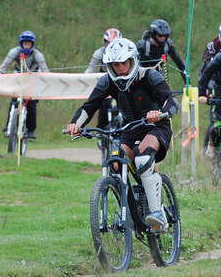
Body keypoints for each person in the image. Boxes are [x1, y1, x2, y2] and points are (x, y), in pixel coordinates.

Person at [64, 38, 178, 229]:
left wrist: (159, 113)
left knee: (143, 158)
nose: (120, 68)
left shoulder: (149, 76)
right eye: (115, 65)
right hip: (129, 129)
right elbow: (90, 106)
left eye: (123, 63)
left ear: (133, 61)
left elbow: (171, 102)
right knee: (116, 163)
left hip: (156, 127)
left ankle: (157, 213)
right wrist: (75, 124)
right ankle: (130, 214)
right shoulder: (107, 81)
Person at [0, 30, 49, 140]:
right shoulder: (14, 52)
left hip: (34, 77)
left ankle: (31, 130)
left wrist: (46, 79)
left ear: (32, 44)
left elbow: (45, 70)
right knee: (14, 101)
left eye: (29, 44)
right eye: (24, 43)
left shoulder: (38, 55)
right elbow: (4, 65)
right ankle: (9, 127)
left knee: (31, 103)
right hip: (18, 76)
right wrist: (0, 74)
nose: (26, 46)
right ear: (21, 44)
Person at [84, 28, 122, 130]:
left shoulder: (125, 53)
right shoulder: (99, 53)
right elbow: (90, 70)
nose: (110, 46)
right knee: (104, 103)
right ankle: (102, 130)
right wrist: (81, 79)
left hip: (121, 82)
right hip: (106, 81)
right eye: (107, 42)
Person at [136, 19, 187, 84]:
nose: (163, 38)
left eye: (165, 36)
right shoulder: (142, 46)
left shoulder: (167, 45)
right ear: (153, 34)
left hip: (158, 75)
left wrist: (187, 82)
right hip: (142, 76)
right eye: (160, 35)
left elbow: (180, 64)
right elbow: (135, 66)